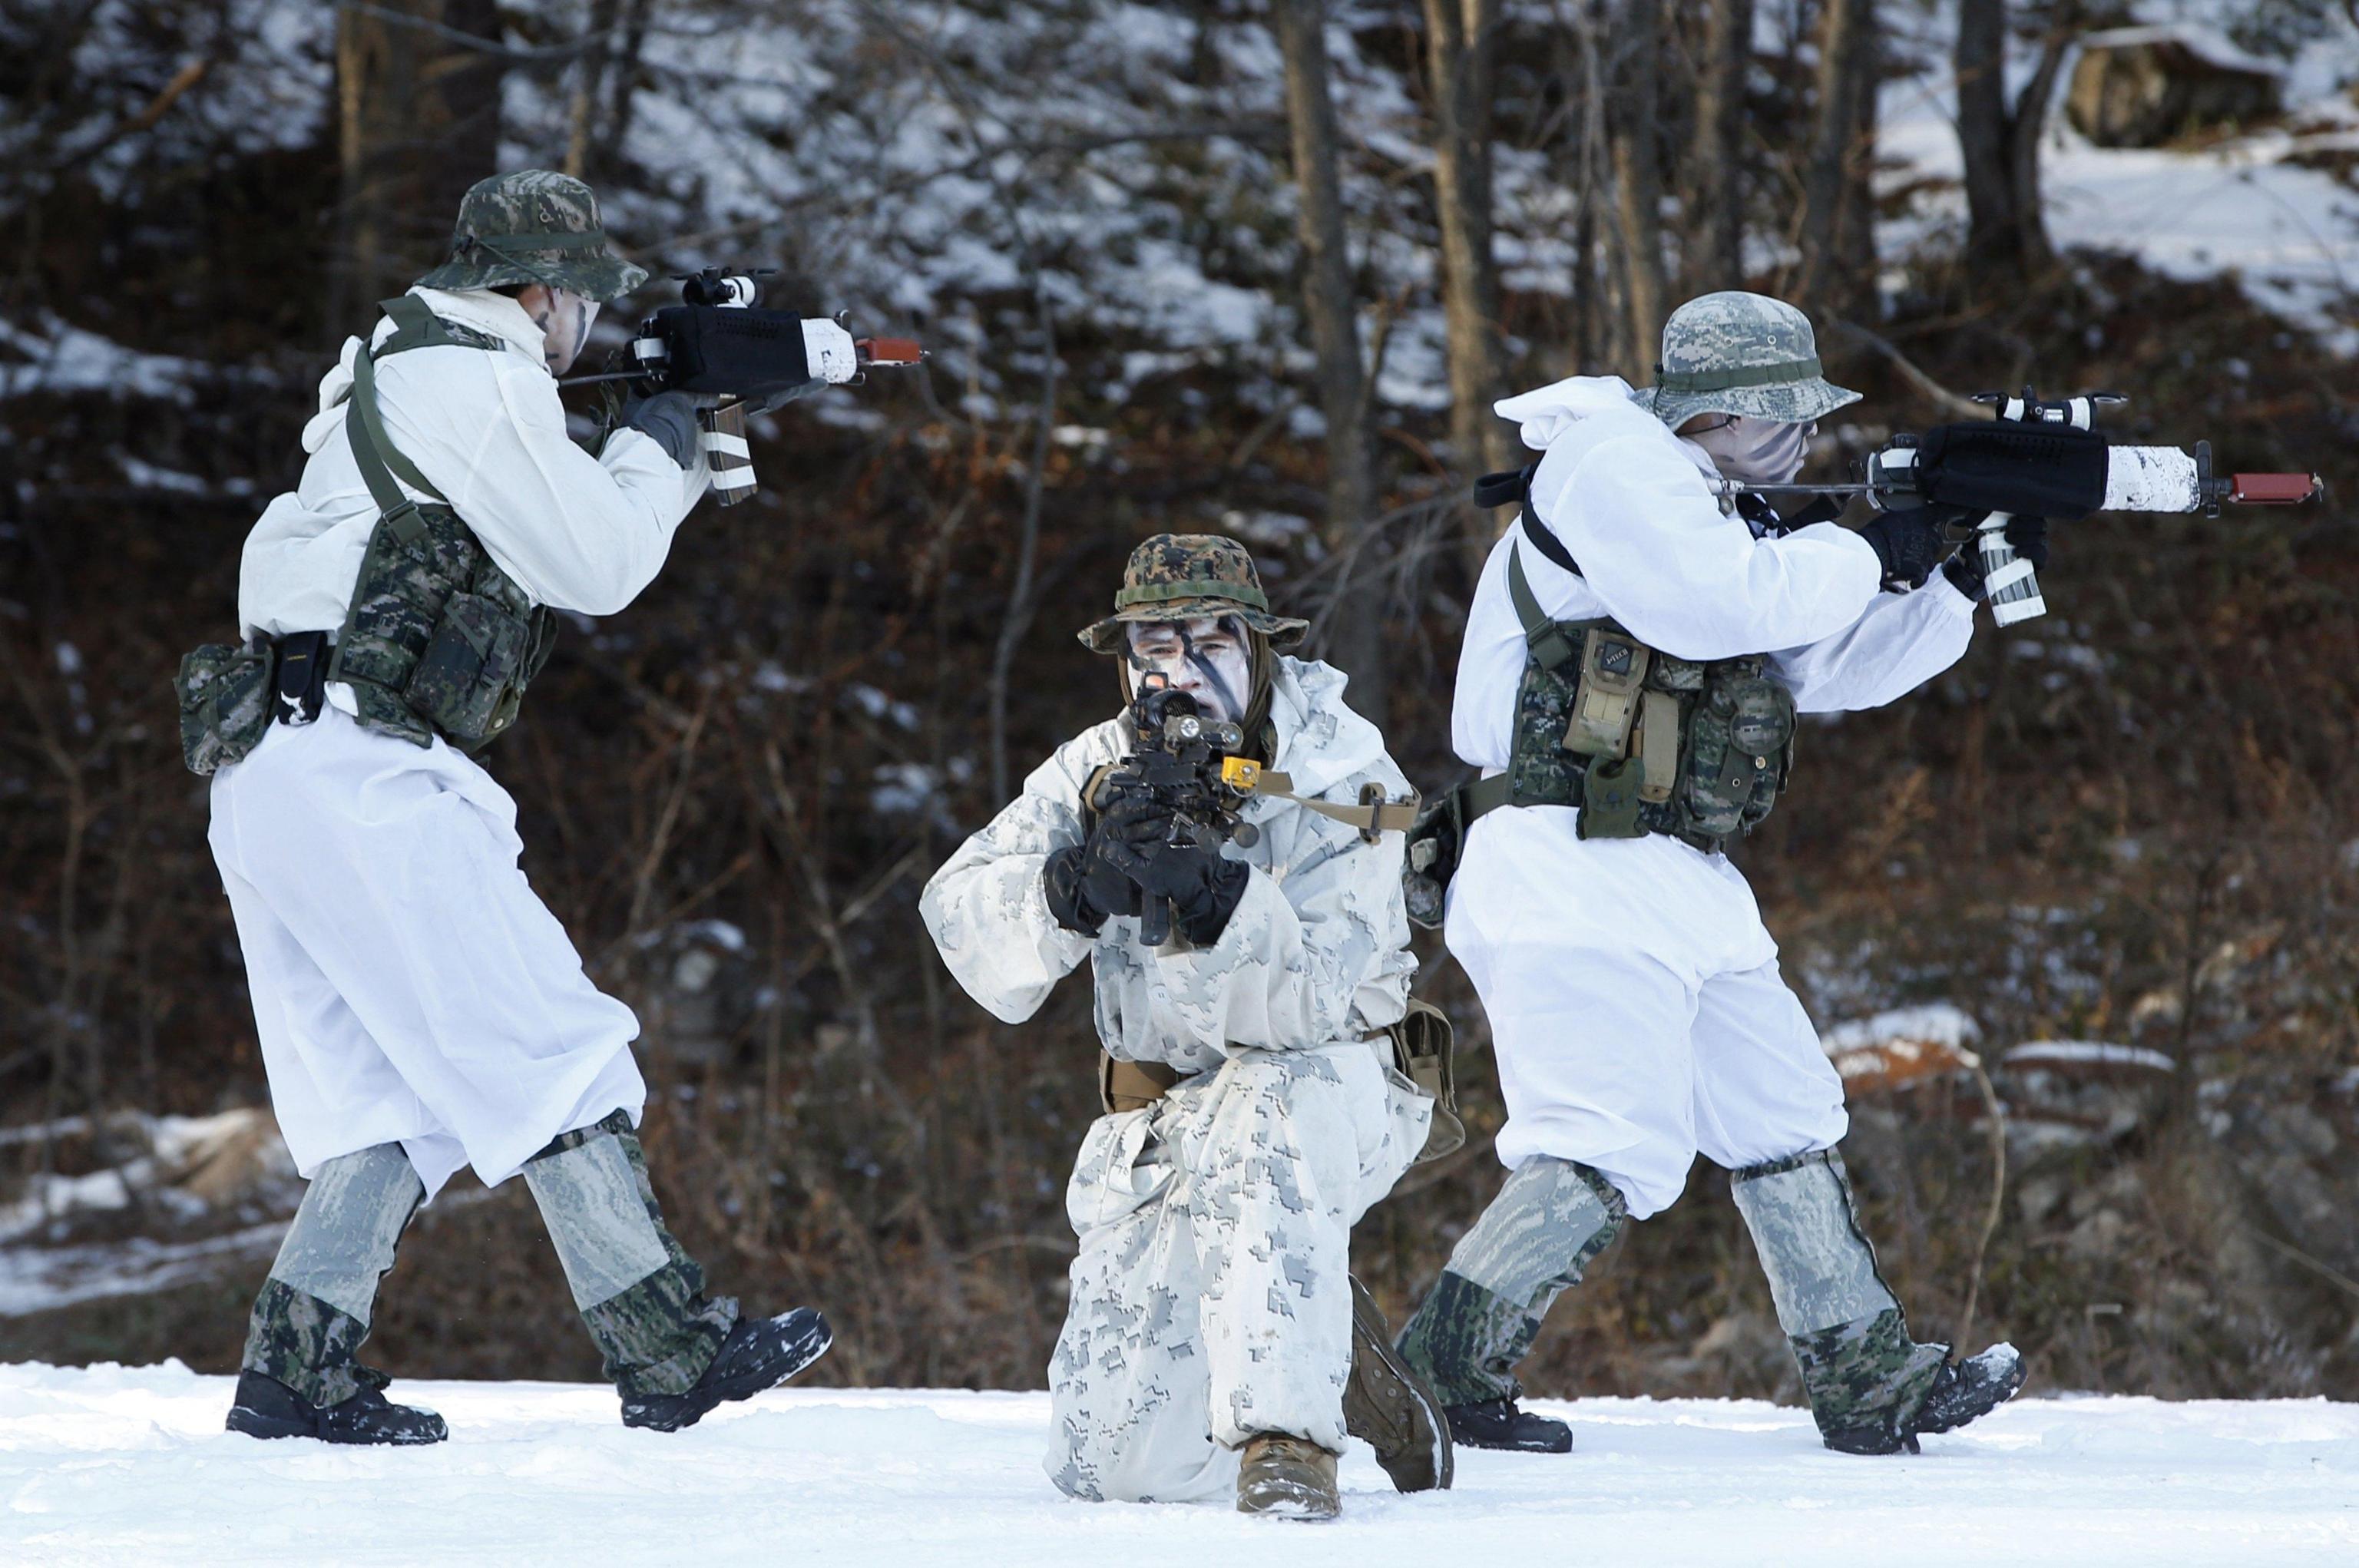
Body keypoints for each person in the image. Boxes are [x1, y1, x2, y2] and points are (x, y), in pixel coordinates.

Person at [174, 170, 852, 1444]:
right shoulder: (471, 383)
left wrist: (651, 406)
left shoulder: (392, 363)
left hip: (271, 763)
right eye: (578, 304)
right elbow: (595, 562)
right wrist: (664, 433)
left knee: (389, 1091)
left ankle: (295, 1370)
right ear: (540, 293)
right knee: (557, 1048)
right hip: (363, 771)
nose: (581, 331)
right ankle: (669, 1347)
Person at [1395, 292, 2033, 1458]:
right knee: (1605, 1136)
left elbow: (1812, 664)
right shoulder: (1615, 461)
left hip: (1671, 867)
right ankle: (1432, 1375)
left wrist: (1950, 580)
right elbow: (1722, 604)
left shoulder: (1706, 512)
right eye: (1784, 426)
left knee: (1782, 1108)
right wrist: (1865, 544)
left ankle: (1866, 1376)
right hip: (1564, 855)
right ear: (1723, 414)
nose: (1799, 453)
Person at [919, 534, 1450, 1519]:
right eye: (1156, 645)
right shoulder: (1096, 767)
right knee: (1114, 1471)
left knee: (1264, 1097)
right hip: (1163, 1124)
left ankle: (1289, 1441)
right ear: (1124, 658)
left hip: (1335, 1089)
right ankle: (1325, 1338)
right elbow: (957, 913)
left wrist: (1213, 901)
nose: (1185, 669)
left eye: (1213, 638)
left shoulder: (1342, 771)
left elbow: (1316, 1005)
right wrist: (1065, 894)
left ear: (1261, 648)